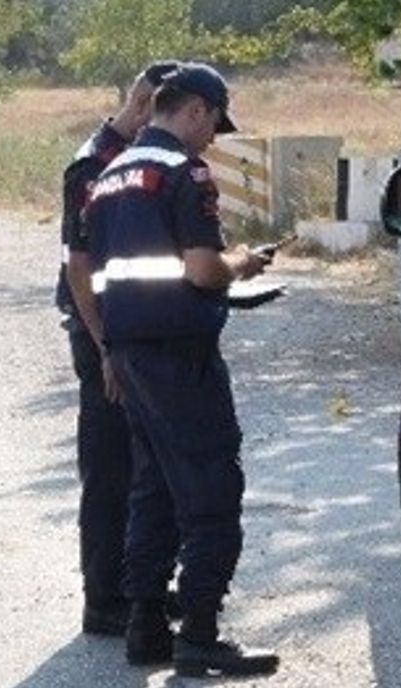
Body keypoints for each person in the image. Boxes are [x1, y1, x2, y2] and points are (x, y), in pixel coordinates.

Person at [85, 63, 280, 677]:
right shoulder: (183, 171)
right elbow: (201, 270)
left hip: (129, 353)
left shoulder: (110, 174)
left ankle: (146, 626)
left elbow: (98, 271)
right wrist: (241, 263)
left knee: (154, 491)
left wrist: (111, 349)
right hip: (179, 357)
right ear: (196, 110)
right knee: (212, 490)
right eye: (214, 125)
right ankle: (199, 631)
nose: (213, 140)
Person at [56, 61, 179, 637]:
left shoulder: (142, 159)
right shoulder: (94, 164)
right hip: (102, 334)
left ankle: (140, 587)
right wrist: (107, 347)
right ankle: (104, 598)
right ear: (146, 106)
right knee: (110, 469)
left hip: (138, 333)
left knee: (146, 466)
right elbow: (79, 268)